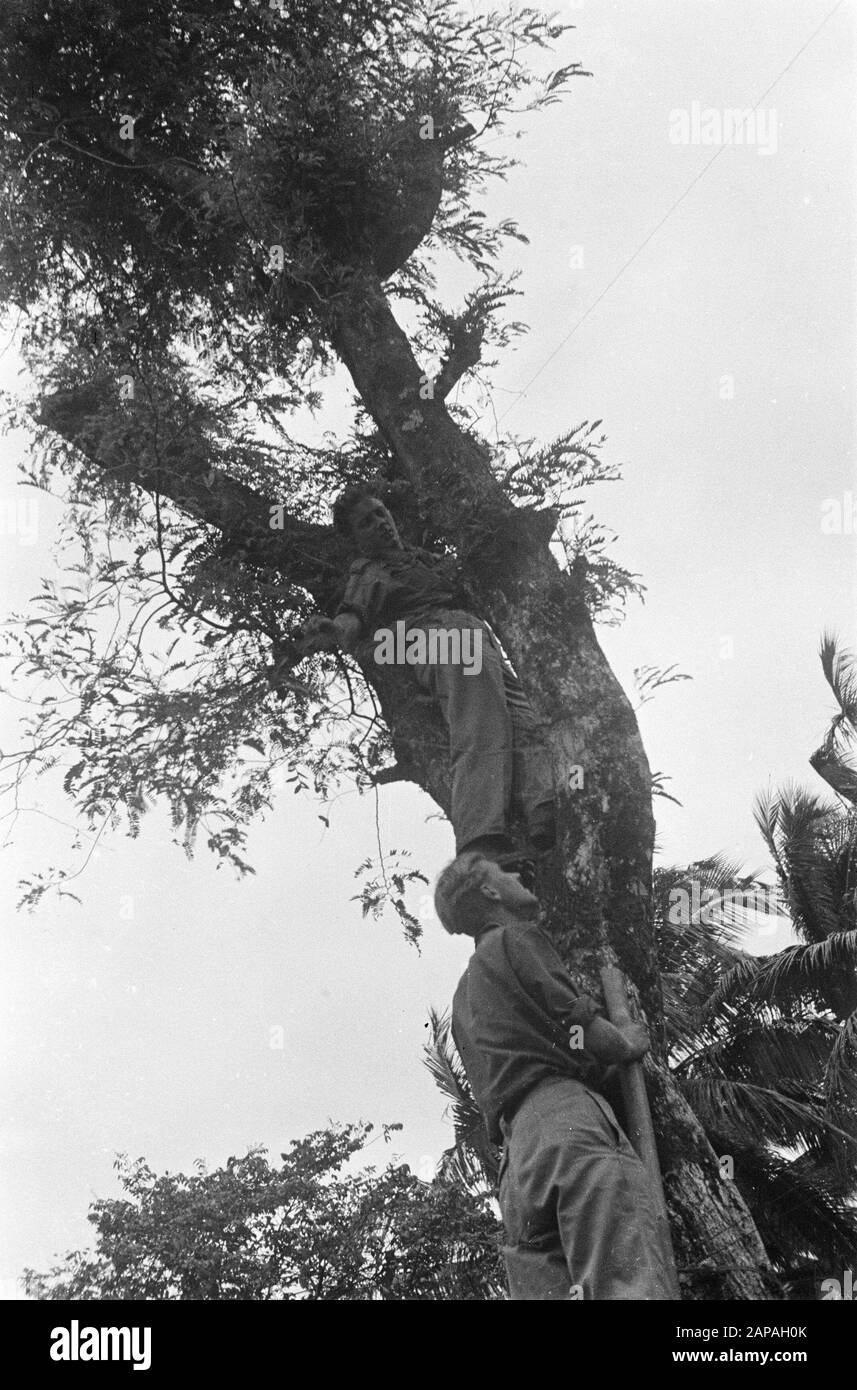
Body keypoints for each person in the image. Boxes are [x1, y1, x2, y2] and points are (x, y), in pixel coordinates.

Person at [435, 850, 675, 1301]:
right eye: (504, 871)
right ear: (489, 890)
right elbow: (575, 1023)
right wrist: (625, 1041)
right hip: (566, 1125)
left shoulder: (462, 997)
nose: (517, 876)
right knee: (625, 1284)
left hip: (517, 1164)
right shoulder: (518, 939)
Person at [300, 486, 555, 864]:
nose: (380, 524)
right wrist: (333, 630)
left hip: (478, 637)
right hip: (439, 636)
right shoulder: (371, 570)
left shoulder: (425, 559)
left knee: (528, 723)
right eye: (366, 523)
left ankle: (544, 812)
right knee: (480, 721)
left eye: (380, 513)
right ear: (356, 539)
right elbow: (352, 616)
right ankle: (479, 841)